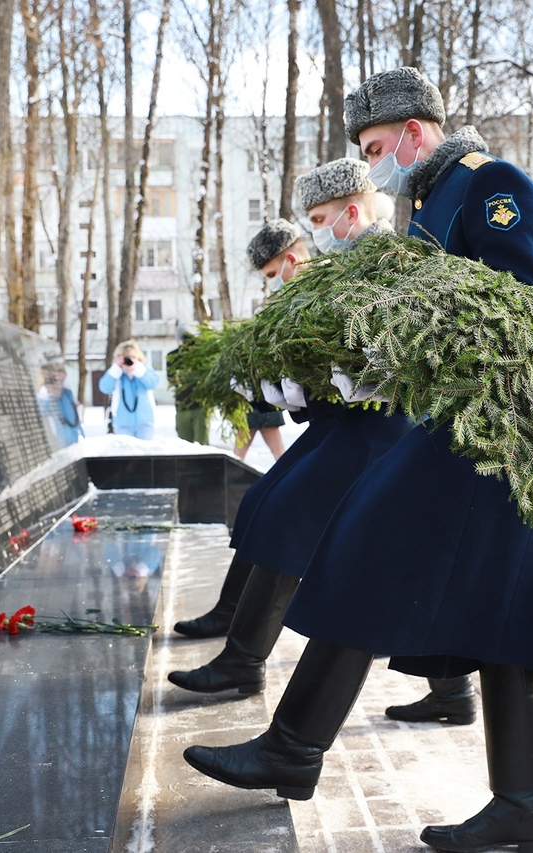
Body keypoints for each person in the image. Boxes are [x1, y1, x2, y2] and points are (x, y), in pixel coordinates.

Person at [183, 67, 533, 853]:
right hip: (467, 430)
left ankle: (295, 746)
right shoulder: (429, 204)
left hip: (509, 439)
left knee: (373, 554)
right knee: (499, 624)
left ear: (416, 133)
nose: (373, 161)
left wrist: (400, 361)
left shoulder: (494, 185)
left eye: (376, 146)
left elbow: (521, 305)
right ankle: (523, 810)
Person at [168, 159, 414, 698]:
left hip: (379, 430)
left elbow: (398, 349)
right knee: (269, 505)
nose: (314, 232)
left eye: (320, 218)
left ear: (352, 211)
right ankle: (451, 692)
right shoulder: (342, 266)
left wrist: (356, 375)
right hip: (345, 427)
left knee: (286, 513)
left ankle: (243, 657)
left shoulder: (388, 260)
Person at [172, 219, 319, 639]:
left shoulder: (325, 293)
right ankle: (232, 623)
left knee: (279, 510)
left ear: (291, 258)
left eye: (272, 275)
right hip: (330, 430)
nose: (272, 285)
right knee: (262, 502)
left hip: (361, 435)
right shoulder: (296, 302)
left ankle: (243, 648)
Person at [97, 340, 159, 440]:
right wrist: (116, 368)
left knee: (145, 453)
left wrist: (137, 368)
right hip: (122, 422)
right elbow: (104, 387)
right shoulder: (116, 373)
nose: (128, 361)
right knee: (126, 454)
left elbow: (152, 383)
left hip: (145, 421)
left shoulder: (144, 369)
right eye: (125, 358)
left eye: (131, 357)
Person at [168, 326, 209, 445]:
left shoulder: (201, 355)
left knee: (202, 445)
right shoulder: (173, 356)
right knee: (184, 445)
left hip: (200, 406)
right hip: (182, 406)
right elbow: (172, 378)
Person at [37, 357, 84, 448]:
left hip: (73, 441)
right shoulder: (42, 396)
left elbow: (74, 417)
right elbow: (41, 415)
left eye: (60, 373)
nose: (57, 378)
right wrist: (48, 392)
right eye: (53, 375)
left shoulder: (67, 393)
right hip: (56, 446)